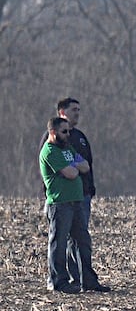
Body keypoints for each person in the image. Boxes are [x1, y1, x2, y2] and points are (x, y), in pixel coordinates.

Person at [39, 117, 109, 293]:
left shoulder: (67, 148)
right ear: (53, 132)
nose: (68, 135)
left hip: (76, 202)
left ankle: (88, 280)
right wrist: (73, 167)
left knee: (83, 241)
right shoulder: (49, 151)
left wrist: (72, 166)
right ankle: (58, 281)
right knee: (59, 243)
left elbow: (85, 166)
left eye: (68, 131)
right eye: (64, 132)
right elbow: (71, 173)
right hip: (60, 204)